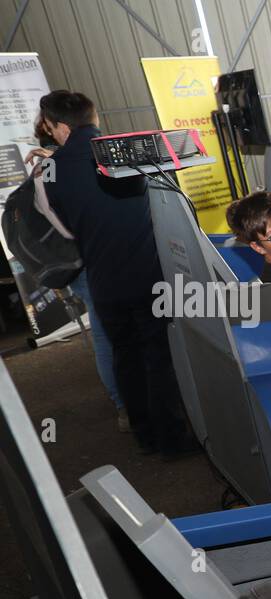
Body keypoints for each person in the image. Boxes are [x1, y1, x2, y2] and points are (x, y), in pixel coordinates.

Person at [41, 90, 195, 458]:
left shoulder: (52, 170)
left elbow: (63, 224)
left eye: (50, 128)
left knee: (125, 356)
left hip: (103, 280)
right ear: (93, 119)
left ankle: (143, 435)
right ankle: (172, 440)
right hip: (147, 274)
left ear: (62, 127)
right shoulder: (127, 150)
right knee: (159, 357)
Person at [28, 113, 126, 433]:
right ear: (56, 130)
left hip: (90, 260)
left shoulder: (55, 161)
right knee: (106, 333)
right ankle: (124, 404)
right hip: (85, 262)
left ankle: (127, 400)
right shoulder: (51, 164)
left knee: (110, 331)